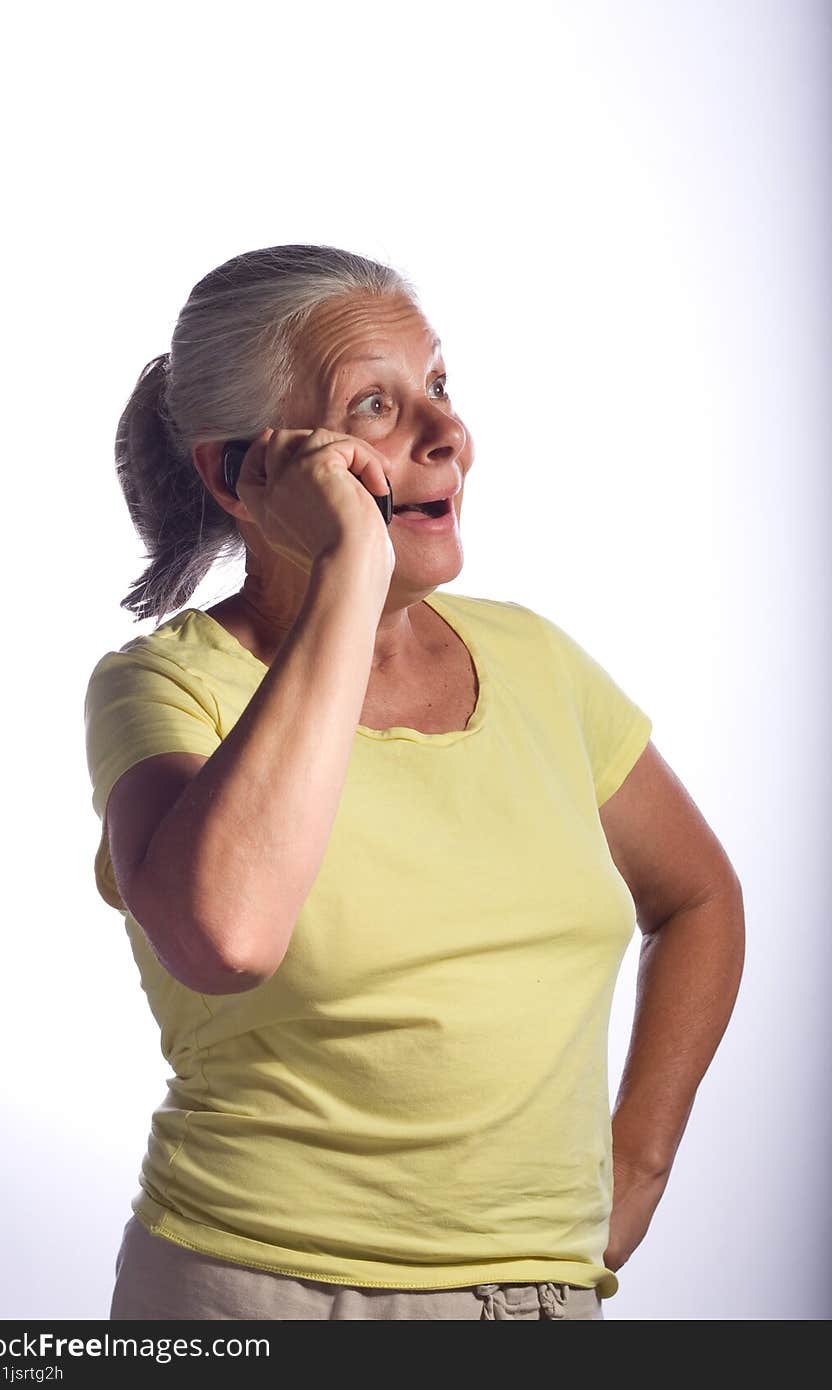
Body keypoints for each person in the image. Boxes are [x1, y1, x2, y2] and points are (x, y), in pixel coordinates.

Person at [83, 243, 745, 1321]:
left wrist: (638, 1165)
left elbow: (699, 898)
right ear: (238, 474)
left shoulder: (537, 662)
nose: (449, 436)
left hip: (532, 1306)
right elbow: (228, 936)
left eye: (438, 384)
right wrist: (350, 570)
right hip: (261, 1298)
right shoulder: (164, 690)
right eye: (375, 405)